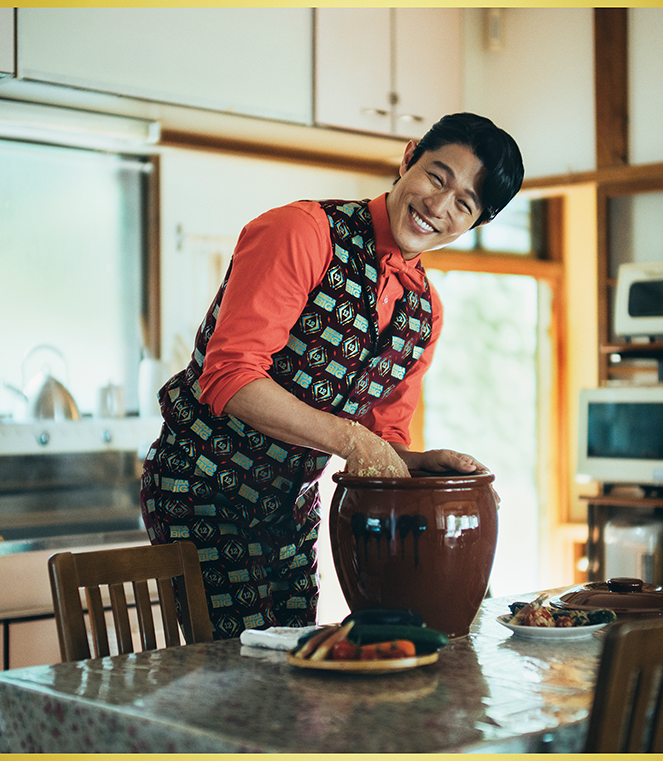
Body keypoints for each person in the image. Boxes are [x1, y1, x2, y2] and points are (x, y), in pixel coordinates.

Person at [140, 112, 524, 639]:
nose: (438, 207)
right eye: (437, 177)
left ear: (476, 223)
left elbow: (381, 441)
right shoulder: (301, 231)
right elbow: (229, 377)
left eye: (464, 203)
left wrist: (426, 471)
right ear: (409, 156)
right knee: (247, 675)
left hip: (293, 509)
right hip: (202, 489)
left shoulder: (424, 311)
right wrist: (352, 440)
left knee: (294, 668)